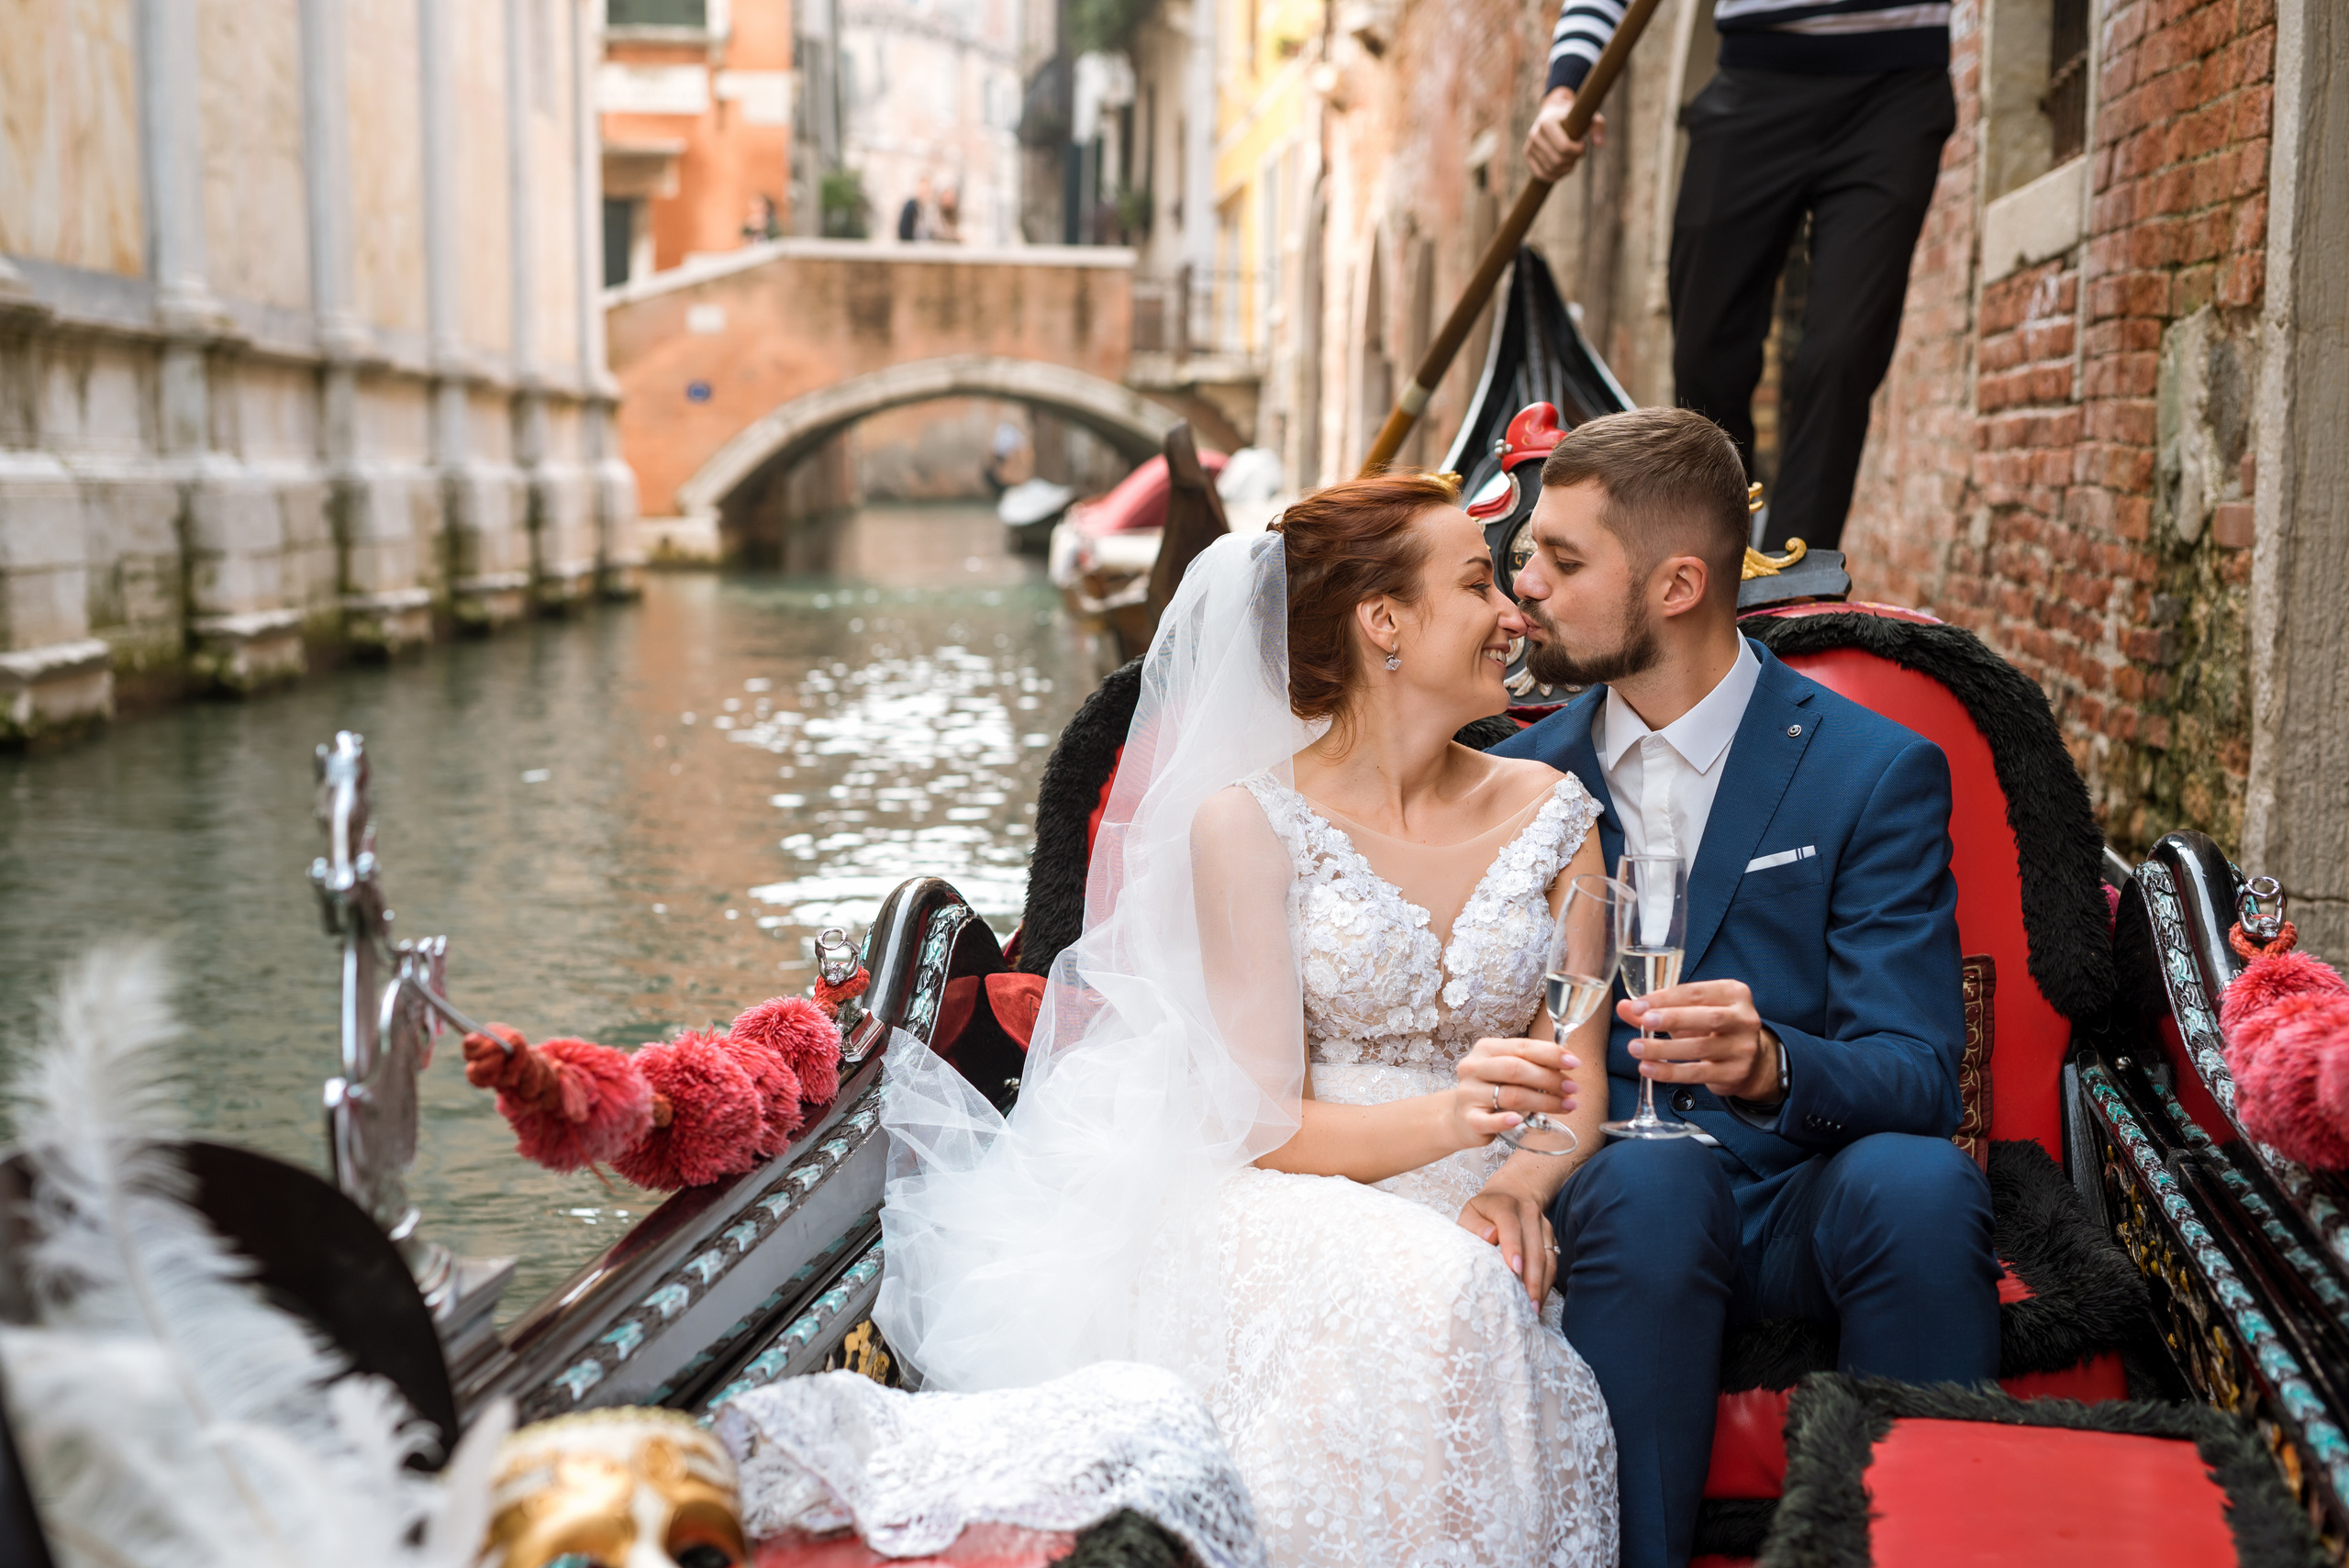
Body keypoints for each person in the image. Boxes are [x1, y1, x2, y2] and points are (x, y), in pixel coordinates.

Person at [874, 473, 1620, 1567]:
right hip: (1288, 1183)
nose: (1514, 612)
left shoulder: (1559, 819)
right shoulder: (1247, 823)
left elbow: (1578, 1074)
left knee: (1461, 1273)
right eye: (1476, 583)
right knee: (1443, 1286)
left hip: (1485, 1181)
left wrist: (1520, 1180)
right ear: (1384, 624)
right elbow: (1266, 1122)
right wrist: (1455, 1116)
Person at [1486, 406, 1998, 1568]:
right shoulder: (1515, 780)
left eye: (1563, 561)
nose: (1527, 588)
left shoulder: (1874, 772)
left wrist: (1774, 1064)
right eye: (1527, 555)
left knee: (1921, 1183)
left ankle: (1923, 1545)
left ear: (1675, 585)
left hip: (1796, 1191)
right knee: (1657, 1182)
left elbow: (1918, 1073)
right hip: (1606, 1192)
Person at [1526, 2, 1956, 551]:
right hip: (1753, 80)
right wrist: (1565, 88)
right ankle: (1718, 556)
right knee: (1704, 349)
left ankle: (1796, 585)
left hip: (1898, 93)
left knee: (1844, 351)